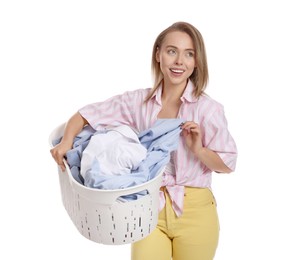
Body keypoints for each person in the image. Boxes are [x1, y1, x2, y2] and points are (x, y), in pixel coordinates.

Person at [50, 21, 237, 260]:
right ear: (158, 54)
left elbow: (228, 163)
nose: (179, 61)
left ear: (197, 61)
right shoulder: (137, 102)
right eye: (172, 51)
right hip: (146, 208)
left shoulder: (209, 110)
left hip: (196, 211)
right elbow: (85, 115)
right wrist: (66, 143)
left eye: (189, 54)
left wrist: (198, 150)